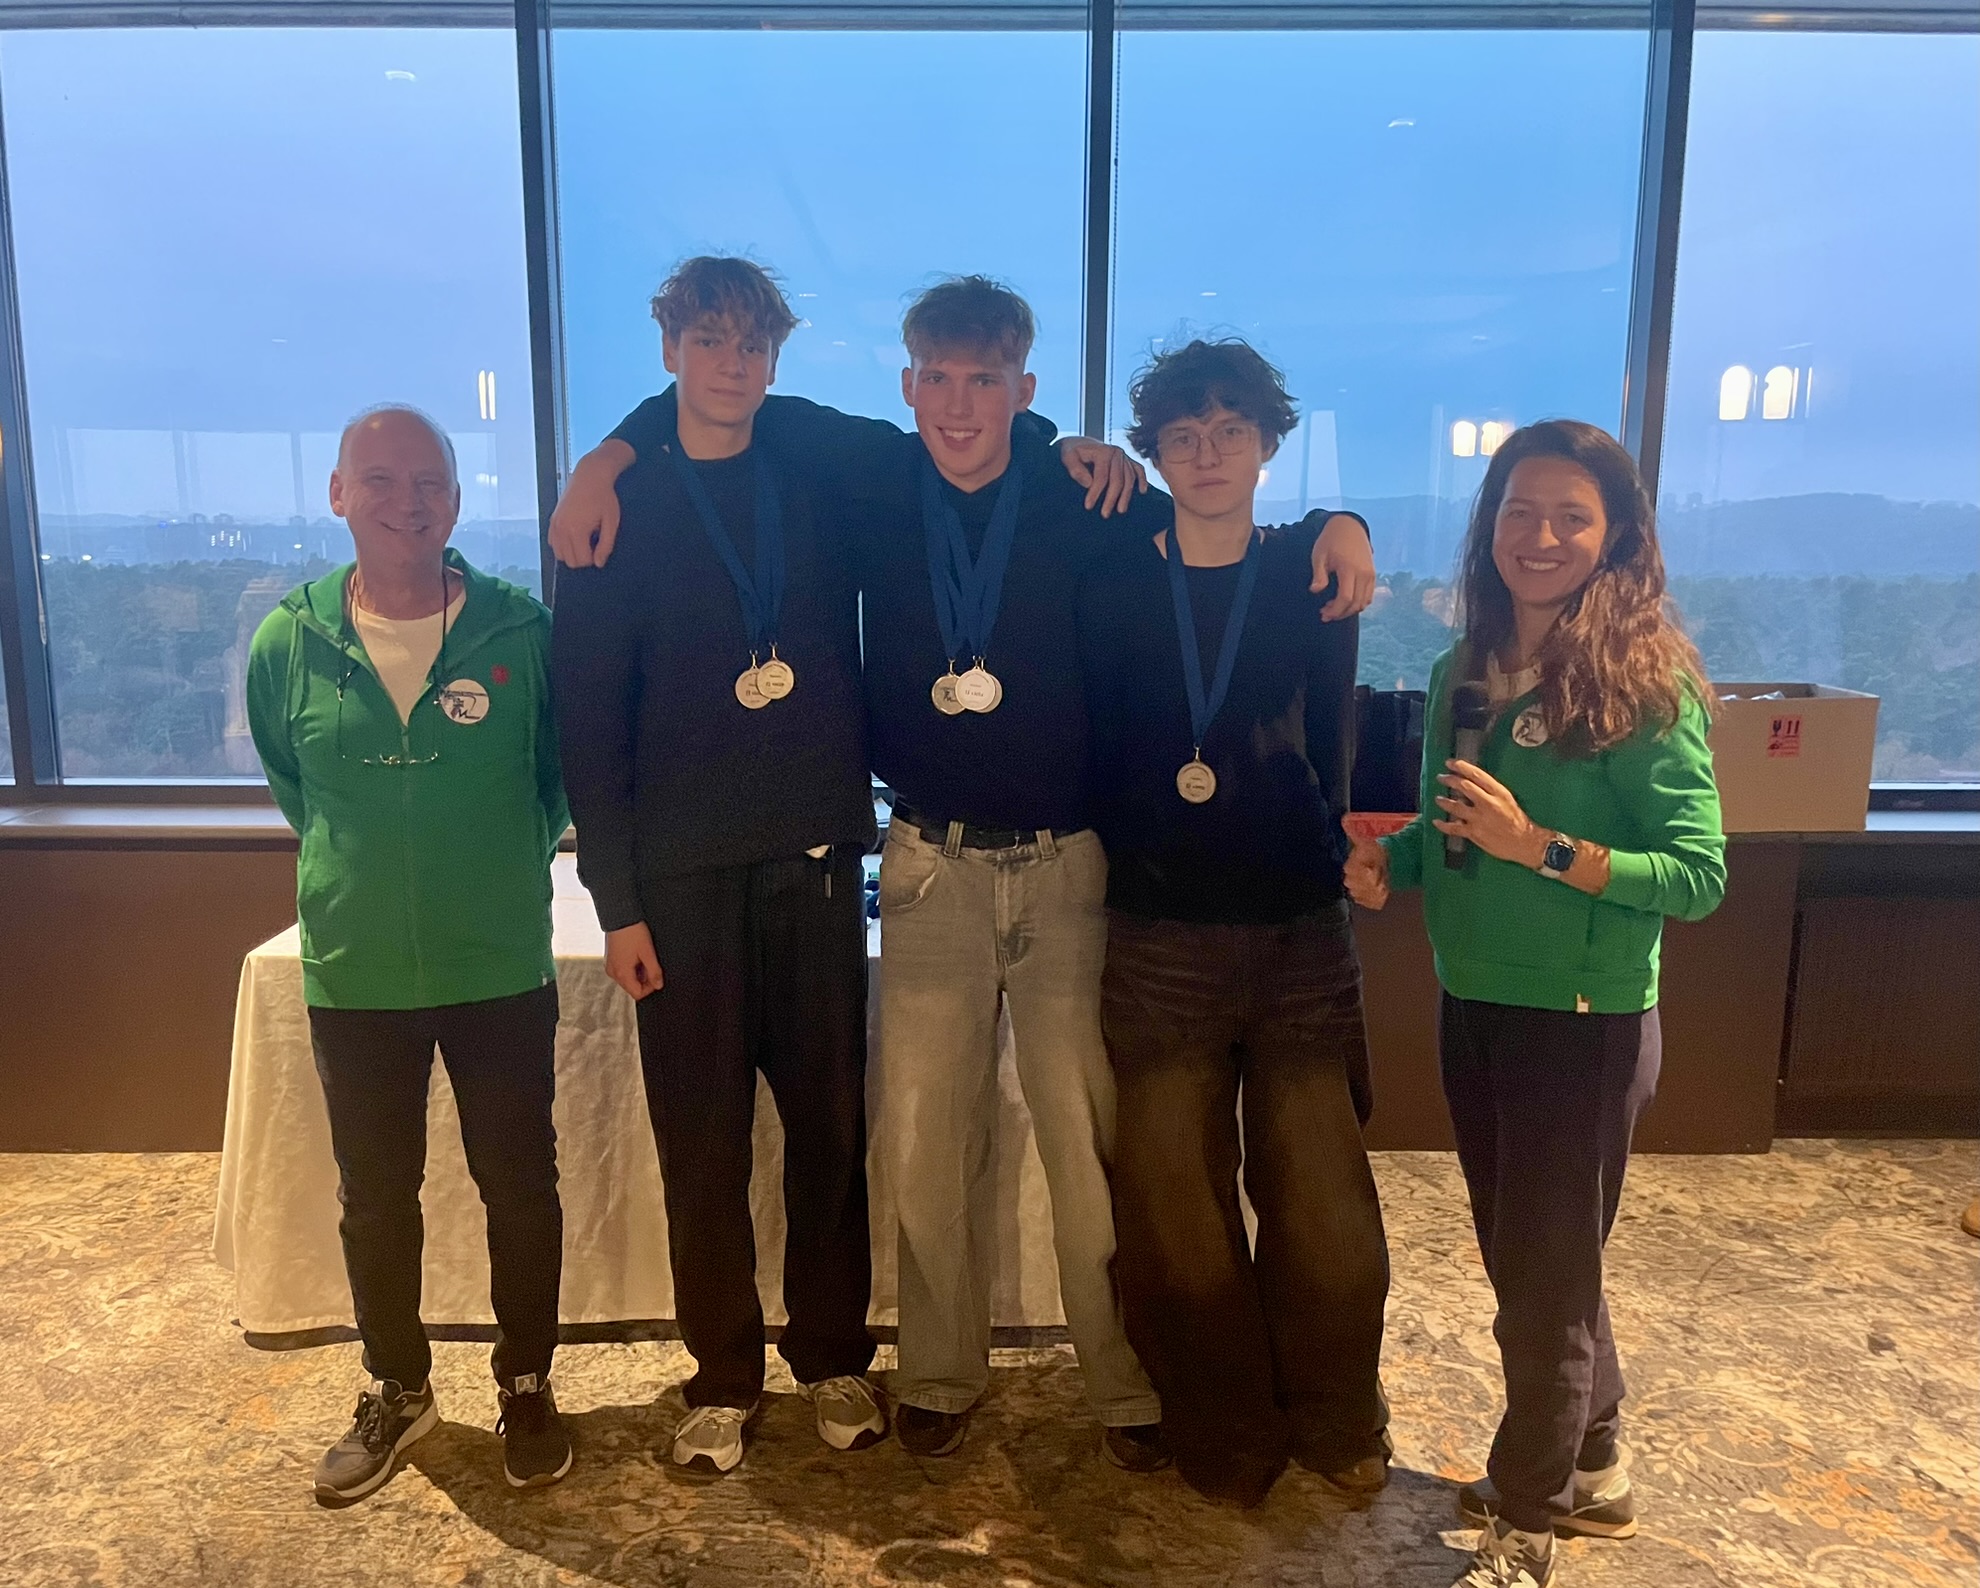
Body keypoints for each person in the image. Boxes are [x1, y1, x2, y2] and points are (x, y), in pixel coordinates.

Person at [551, 273, 1375, 1469]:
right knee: (928, 1146)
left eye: (984, 380)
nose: (957, 404)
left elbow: (1222, 536)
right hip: (929, 865)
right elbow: (717, 405)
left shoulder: (1084, 492)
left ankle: (1122, 1382)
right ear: (907, 384)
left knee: (1088, 1151)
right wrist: (603, 460)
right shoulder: (874, 474)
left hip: (1070, 867)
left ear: (1023, 389)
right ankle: (939, 1372)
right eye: (936, 378)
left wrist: (1337, 523)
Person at [1345, 420, 1725, 1588]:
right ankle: (1593, 1462)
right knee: (1533, 1264)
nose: (1542, 536)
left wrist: (1542, 847)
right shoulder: (1466, 670)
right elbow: (1449, 830)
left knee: (1544, 1287)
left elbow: (1697, 875)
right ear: (1490, 525)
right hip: (1476, 1000)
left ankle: (1528, 1517)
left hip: (1583, 1019)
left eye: (1571, 515)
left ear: (1615, 536)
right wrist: (1393, 864)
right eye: (1520, 510)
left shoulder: (1642, 681)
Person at [553, 258, 890, 1475]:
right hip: (681, 881)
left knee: (829, 1136)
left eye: (752, 343)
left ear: (775, 357)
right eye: (708, 340)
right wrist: (618, 902)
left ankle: (835, 1356)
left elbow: (941, 445)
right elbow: (588, 720)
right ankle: (722, 1375)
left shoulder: (810, 462)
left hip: (813, 860)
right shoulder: (619, 507)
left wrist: (1066, 444)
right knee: (701, 1144)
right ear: (670, 352)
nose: (732, 364)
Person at [1077, 339, 1391, 1507]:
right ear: (1157, 453)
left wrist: (1349, 521)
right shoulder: (1112, 572)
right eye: (1183, 435)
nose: (1207, 454)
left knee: (1324, 1205)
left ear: (1267, 444)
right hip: (1157, 934)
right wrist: (1069, 447)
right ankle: (1224, 1426)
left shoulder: (1310, 569)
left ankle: (1337, 1415)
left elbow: (1334, 738)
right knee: (1176, 1211)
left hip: (1300, 931)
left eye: (1230, 431)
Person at [246, 405, 572, 1506]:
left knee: (520, 1186)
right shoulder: (288, 641)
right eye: (379, 480)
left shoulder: (522, 632)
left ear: (457, 502)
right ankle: (398, 1384)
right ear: (339, 494)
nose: (407, 501)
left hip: (500, 964)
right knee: (375, 1196)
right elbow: (297, 786)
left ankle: (527, 1380)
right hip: (357, 968)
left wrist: (484, 870)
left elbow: (554, 787)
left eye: (429, 481)